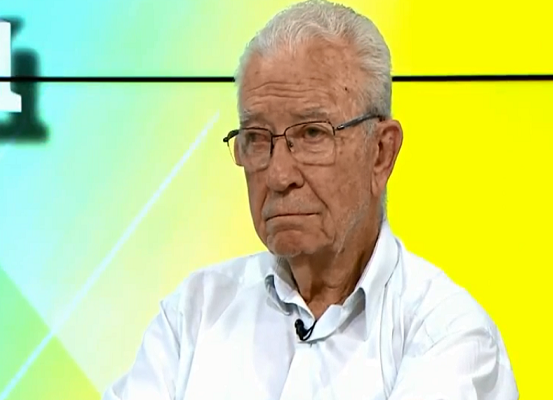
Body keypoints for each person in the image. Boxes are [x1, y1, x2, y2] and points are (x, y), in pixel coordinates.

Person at [104, 1, 518, 399]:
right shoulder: (194, 315)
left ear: (381, 153)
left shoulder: (447, 332)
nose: (279, 175)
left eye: (312, 134)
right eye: (256, 139)